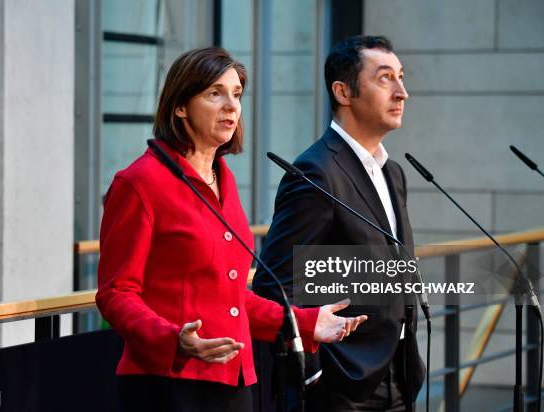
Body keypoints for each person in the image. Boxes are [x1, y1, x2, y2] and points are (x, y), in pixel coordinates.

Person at [95, 46, 367, 412]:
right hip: (169, 383)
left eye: (237, 94)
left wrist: (302, 322)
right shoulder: (139, 182)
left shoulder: (225, 179)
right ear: (180, 106)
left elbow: (233, 298)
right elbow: (116, 293)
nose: (231, 106)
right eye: (214, 93)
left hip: (236, 380)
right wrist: (172, 339)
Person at [252, 35, 425, 411]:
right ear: (343, 92)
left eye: (401, 76)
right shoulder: (316, 172)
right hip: (344, 386)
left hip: (399, 374)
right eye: (385, 78)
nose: (402, 92)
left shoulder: (392, 172)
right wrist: (317, 373)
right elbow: (275, 284)